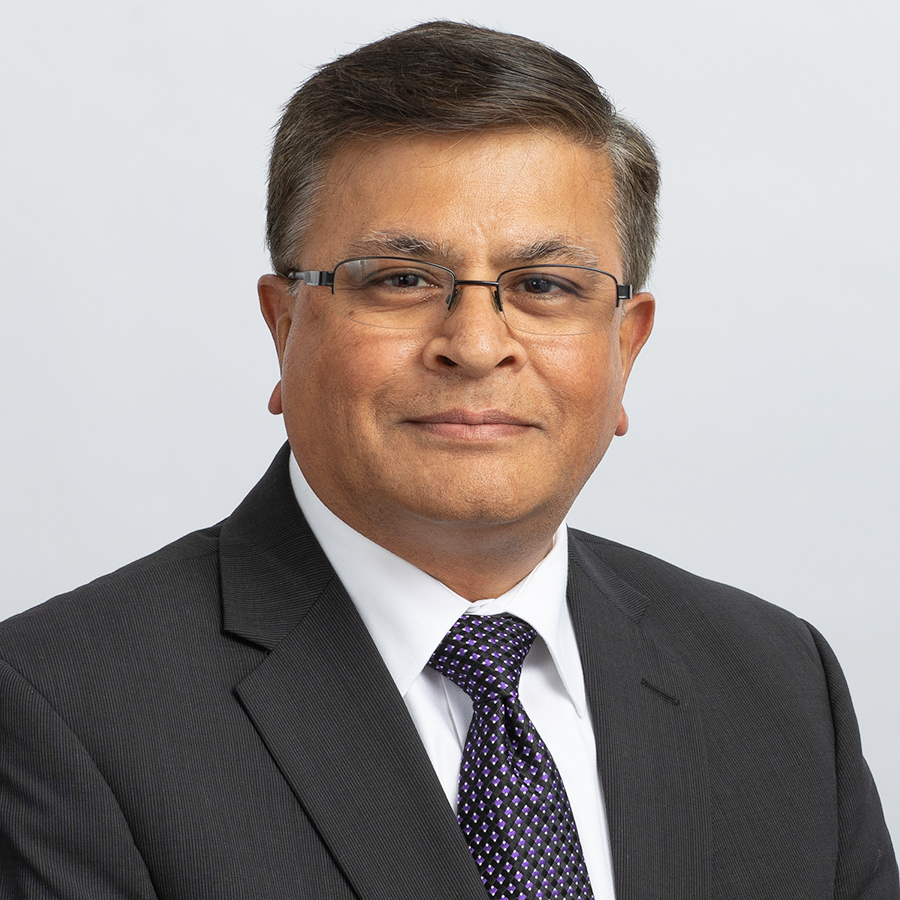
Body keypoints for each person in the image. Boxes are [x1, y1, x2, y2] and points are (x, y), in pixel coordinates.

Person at [0, 20, 895, 900]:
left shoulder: (779, 683)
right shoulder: (56, 710)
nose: (474, 345)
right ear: (284, 329)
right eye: (399, 278)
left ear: (627, 347)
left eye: (544, 286)